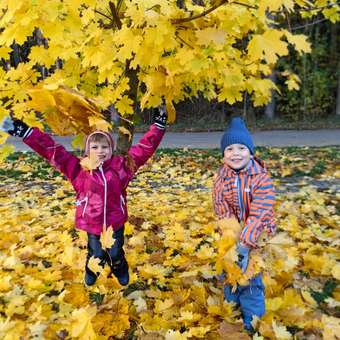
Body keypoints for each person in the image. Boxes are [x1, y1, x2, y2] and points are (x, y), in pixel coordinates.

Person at [1, 108, 167, 286]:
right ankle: (92, 270)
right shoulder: (78, 169)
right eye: (95, 147)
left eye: (105, 147)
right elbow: (51, 151)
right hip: (91, 222)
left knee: (115, 252)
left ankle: (120, 268)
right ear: (88, 150)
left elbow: (144, 149)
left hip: (115, 221)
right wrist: (25, 131)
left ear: (111, 149)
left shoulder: (122, 167)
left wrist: (159, 124)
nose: (100, 151)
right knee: (96, 253)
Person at [213, 117, 276, 332]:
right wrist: (232, 240)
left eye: (241, 147)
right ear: (223, 155)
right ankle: (232, 308)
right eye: (229, 148)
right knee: (230, 271)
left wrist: (245, 244)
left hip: (257, 235)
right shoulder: (221, 179)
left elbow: (260, 213)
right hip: (232, 235)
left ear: (251, 152)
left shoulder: (261, 179)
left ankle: (253, 321)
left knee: (251, 278)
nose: (235, 153)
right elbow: (222, 209)